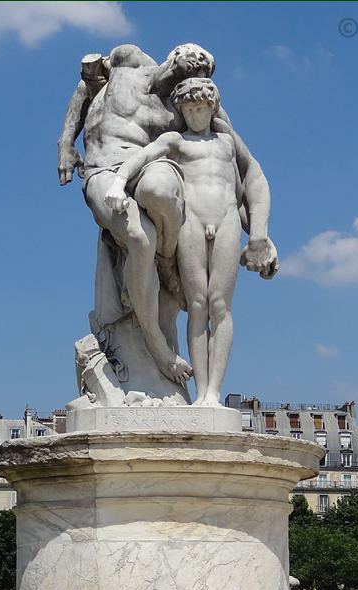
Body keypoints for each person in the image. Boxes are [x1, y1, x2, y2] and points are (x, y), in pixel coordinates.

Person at [58, 44, 278, 387]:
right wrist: (65, 142)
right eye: (188, 70)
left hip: (150, 171)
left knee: (159, 190)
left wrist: (260, 235)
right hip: (105, 169)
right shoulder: (128, 60)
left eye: (200, 77)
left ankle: (162, 263)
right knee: (138, 237)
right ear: (174, 60)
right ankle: (159, 349)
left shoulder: (192, 111)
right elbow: (86, 84)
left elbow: (231, 179)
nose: (192, 83)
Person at [104, 79, 240, 406]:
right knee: (197, 304)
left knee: (219, 306)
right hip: (192, 221)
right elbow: (143, 157)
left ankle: (213, 394)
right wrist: (120, 183)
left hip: (227, 219)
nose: (195, 114)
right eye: (189, 109)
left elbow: (255, 180)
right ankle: (200, 392)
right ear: (180, 110)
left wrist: (261, 234)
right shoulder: (176, 140)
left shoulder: (228, 143)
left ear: (212, 107)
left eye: (201, 108)